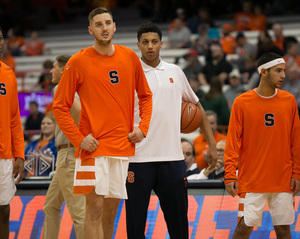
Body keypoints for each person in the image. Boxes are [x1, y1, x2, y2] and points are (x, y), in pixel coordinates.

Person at [52, 7, 153, 239]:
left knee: (110, 213)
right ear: (91, 30)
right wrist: (79, 139)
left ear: (114, 26)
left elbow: (146, 96)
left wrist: (143, 127)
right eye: (99, 24)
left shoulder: (129, 57)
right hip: (93, 148)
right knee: (94, 210)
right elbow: (59, 106)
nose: (104, 28)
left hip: (122, 148)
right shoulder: (78, 61)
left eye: (108, 23)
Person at [125, 22, 217, 239]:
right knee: (135, 224)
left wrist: (212, 144)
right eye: (145, 42)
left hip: (172, 158)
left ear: (161, 44)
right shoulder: (129, 74)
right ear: (138, 45)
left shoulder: (175, 71)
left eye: (154, 42)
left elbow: (197, 106)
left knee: (178, 223)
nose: (150, 46)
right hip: (137, 159)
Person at [224, 52, 300, 238]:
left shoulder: (289, 100)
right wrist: (229, 174)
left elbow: (295, 141)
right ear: (264, 72)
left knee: (283, 230)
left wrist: (297, 172)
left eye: (283, 71)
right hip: (252, 179)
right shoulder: (241, 102)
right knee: (243, 228)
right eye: (278, 71)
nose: (283, 75)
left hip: (282, 178)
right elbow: (232, 141)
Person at [42, 55, 85, 238]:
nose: (51, 71)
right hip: (67, 154)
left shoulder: (61, 86)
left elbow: (79, 112)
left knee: (79, 212)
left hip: (69, 153)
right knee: (50, 206)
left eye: (54, 67)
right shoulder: (76, 87)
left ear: (64, 69)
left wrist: (77, 136)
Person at [0, 25, 25, 239]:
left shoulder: (8, 73)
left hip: (4, 156)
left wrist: (20, 155)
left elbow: (15, 119)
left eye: (0, 38)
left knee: (3, 210)